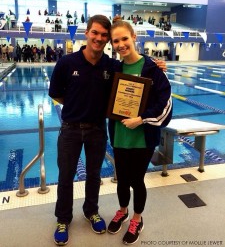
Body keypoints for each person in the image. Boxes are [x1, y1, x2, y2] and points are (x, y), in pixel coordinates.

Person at [48, 15, 167, 246]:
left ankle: (91, 211)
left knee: (94, 176)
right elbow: (56, 93)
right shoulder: (67, 63)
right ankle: (63, 219)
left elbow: (136, 66)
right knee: (65, 177)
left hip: (97, 130)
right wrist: (75, 106)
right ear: (87, 33)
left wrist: (158, 64)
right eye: (96, 33)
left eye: (105, 35)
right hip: (71, 129)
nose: (99, 38)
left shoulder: (111, 66)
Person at [107, 19, 172, 245]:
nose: (121, 44)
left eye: (125, 38)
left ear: (134, 37)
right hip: (119, 135)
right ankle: (123, 210)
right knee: (122, 180)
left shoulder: (153, 68)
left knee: (137, 180)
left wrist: (142, 119)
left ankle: (137, 218)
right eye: (116, 41)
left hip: (143, 137)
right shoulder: (114, 68)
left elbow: (165, 104)